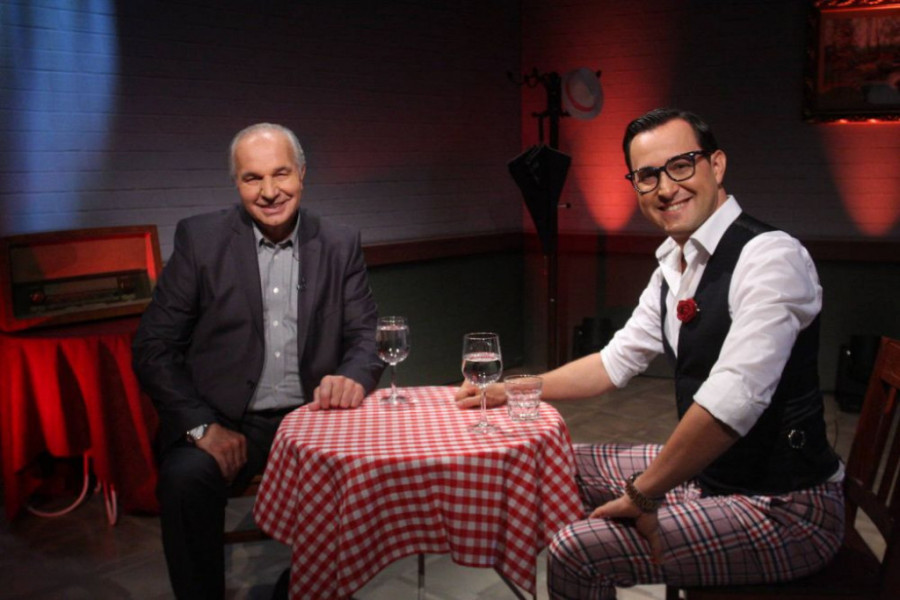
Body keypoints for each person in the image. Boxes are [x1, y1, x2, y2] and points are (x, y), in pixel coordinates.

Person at [456, 108, 844, 598]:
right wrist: (511, 390)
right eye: (647, 175)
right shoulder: (672, 268)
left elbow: (735, 398)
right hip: (712, 476)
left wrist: (644, 494)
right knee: (550, 462)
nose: (665, 188)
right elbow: (612, 363)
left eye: (681, 165)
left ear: (716, 165)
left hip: (786, 504)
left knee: (575, 551)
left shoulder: (771, 257)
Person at [133, 122, 384, 599]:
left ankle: (310, 588)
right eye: (253, 178)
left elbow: (365, 337)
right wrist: (201, 427)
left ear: (302, 174)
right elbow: (153, 347)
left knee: (378, 470)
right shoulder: (200, 239)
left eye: (281, 173)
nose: (269, 192)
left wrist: (352, 376)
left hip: (314, 419)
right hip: (223, 420)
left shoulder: (339, 242)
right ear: (237, 182)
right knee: (184, 481)